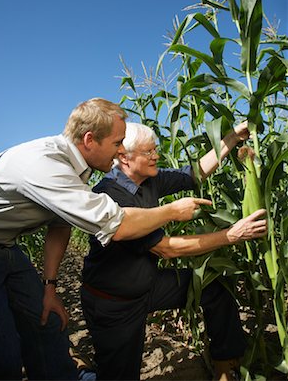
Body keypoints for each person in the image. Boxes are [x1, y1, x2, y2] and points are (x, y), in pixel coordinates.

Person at [0, 99, 210, 381]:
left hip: (5, 246)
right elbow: (117, 225)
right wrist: (171, 211)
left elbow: (60, 224)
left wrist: (50, 288)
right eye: (118, 143)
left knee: (44, 323)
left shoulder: (76, 169)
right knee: (1, 354)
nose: (121, 152)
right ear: (90, 140)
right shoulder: (45, 166)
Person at [81, 122, 267, 381]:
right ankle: (81, 371)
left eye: (155, 149)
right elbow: (165, 249)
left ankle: (224, 370)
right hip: (113, 301)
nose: (156, 155)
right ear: (124, 157)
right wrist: (231, 235)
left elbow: (195, 174)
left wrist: (232, 137)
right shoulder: (108, 196)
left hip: (148, 285)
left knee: (214, 288)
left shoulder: (150, 179)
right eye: (149, 151)